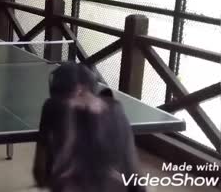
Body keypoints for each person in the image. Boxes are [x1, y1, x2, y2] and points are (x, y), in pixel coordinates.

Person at [33, 62, 146, 192]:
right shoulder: (116, 108)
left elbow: (40, 174)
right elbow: (134, 173)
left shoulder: (51, 107)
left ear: (79, 90)